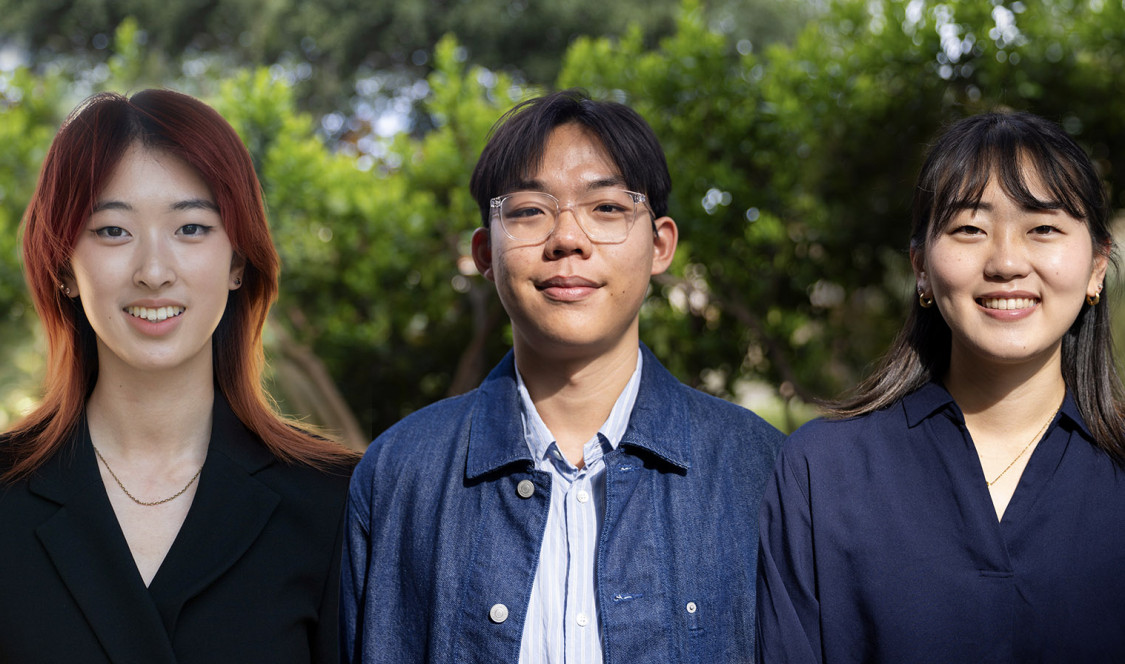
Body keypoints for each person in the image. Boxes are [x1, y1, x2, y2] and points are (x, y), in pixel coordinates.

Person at [341, 89, 783, 662]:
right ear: (484, 252)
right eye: (529, 210)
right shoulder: (399, 476)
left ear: (659, 244)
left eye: (606, 209)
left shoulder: (761, 471)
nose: (567, 239)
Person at [0, 89, 357, 663]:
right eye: (113, 231)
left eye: (191, 228)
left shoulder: (335, 502)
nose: (154, 272)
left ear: (239, 262)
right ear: (63, 266)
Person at [756, 110, 1125, 662]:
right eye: (969, 229)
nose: (1005, 262)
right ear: (921, 268)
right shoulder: (824, 473)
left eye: (1043, 228)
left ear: (1097, 266)